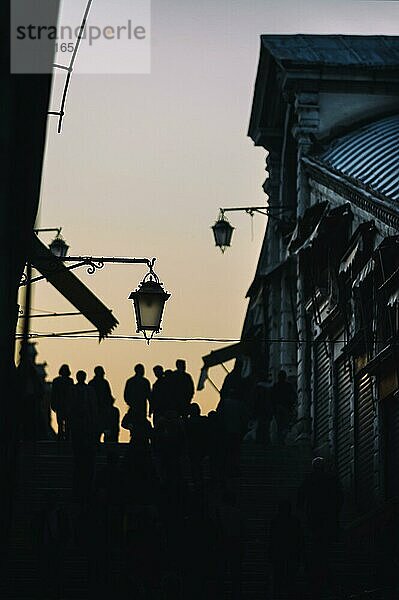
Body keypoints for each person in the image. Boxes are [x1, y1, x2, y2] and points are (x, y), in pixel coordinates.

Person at [297, 457, 343, 599]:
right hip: (328, 519)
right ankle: (324, 572)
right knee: (324, 545)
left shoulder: (309, 479)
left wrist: (301, 510)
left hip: (314, 517)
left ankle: (318, 571)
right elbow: (339, 498)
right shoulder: (332, 480)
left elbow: (301, 496)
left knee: (317, 543)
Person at [69, 370, 98, 504]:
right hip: (78, 422)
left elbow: (92, 406)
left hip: (85, 422)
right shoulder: (76, 390)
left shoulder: (88, 390)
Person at [268, 499, 304, 600]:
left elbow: (272, 538)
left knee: (278, 577)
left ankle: (278, 595)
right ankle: (289, 594)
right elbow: (299, 538)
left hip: (279, 552)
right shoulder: (295, 521)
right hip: (292, 552)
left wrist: (270, 552)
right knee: (290, 577)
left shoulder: (275, 521)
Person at [88, 366, 114, 442]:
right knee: (103, 429)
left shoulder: (92, 383)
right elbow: (108, 396)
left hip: (97, 410)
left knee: (97, 430)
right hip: (101, 410)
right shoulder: (104, 383)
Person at [51, 364, 74, 441]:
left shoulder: (56, 381)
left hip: (62, 404)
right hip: (64, 404)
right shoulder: (70, 381)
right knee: (65, 423)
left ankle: (61, 437)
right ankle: (65, 437)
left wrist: (53, 404)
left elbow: (53, 394)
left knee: (62, 423)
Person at [272, 370, 296, 445]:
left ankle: (280, 439)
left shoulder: (276, 386)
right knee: (285, 424)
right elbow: (294, 396)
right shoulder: (288, 386)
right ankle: (282, 438)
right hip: (286, 407)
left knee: (280, 424)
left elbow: (272, 397)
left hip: (279, 407)